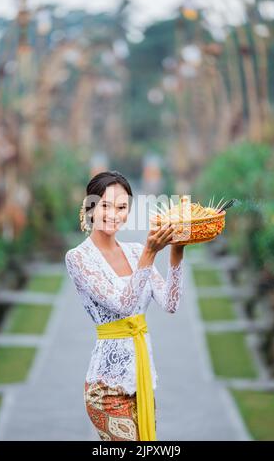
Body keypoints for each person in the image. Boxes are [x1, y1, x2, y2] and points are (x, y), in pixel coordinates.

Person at [65, 170, 185, 441]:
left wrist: (177, 252)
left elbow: (171, 303)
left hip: (141, 381)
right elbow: (124, 305)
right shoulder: (78, 258)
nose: (113, 214)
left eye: (121, 207)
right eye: (105, 205)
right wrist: (150, 252)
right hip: (105, 390)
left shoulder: (133, 252)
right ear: (90, 207)